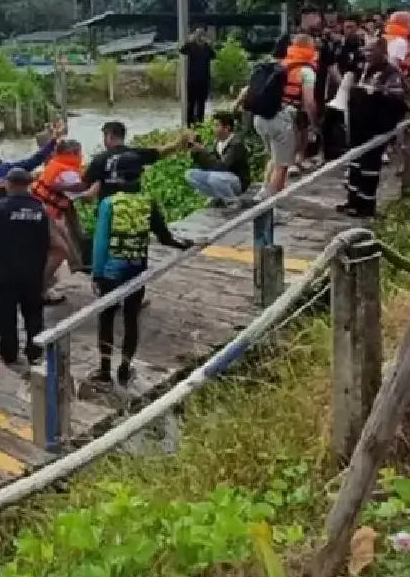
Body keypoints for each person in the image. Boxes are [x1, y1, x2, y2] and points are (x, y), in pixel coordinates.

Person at [89, 161, 185, 387]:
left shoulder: (109, 204)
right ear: (139, 178)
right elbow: (165, 237)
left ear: (117, 180)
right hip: (136, 268)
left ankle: (104, 370)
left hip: (111, 272)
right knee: (131, 318)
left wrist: (97, 273)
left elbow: (101, 242)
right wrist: (184, 244)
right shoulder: (148, 203)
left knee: (106, 319)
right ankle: (124, 368)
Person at [0, 168, 51, 367]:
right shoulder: (39, 209)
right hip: (32, 272)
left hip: (6, 271)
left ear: (10, 184)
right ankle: (35, 352)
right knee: (33, 314)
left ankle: (9, 354)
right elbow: (45, 240)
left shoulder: (0, 208)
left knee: (6, 315)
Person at [338, 37, 409, 218]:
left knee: (369, 166)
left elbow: (399, 94)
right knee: (355, 163)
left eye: (371, 51)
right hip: (359, 126)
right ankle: (352, 202)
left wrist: (376, 91)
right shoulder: (364, 69)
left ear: (382, 51)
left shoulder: (391, 72)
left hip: (375, 127)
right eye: (366, 50)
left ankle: (366, 206)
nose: (367, 54)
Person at [245, 32, 319, 198]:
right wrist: (314, 124)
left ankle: (263, 193)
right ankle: (270, 205)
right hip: (282, 120)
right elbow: (309, 102)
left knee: (273, 158)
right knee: (282, 166)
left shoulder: (282, 64)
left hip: (262, 118)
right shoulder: (306, 71)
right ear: (310, 49)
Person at [33, 138, 89, 301]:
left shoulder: (55, 164)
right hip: (46, 215)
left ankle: (77, 268)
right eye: (79, 153)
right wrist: (97, 183)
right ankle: (39, 291)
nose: (81, 156)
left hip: (43, 211)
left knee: (66, 243)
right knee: (60, 250)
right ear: (72, 153)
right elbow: (86, 197)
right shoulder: (67, 172)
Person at [184, 111, 251, 206]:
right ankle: (217, 198)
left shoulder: (236, 144)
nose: (213, 129)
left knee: (214, 177)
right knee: (190, 175)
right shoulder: (217, 143)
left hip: (237, 181)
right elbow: (209, 165)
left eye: (216, 125)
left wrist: (203, 151)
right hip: (221, 178)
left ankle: (232, 202)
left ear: (227, 127)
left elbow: (222, 166)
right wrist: (196, 153)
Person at [180, 28, 215, 125]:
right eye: (198, 35)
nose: (200, 37)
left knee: (201, 103)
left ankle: (199, 123)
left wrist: (209, 44)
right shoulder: (191, 46)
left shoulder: (207, 48)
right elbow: (182, 50)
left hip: (203, 80)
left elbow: (213, 55)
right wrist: (189, 40)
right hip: (193, 80)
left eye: (202, 35)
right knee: (191, 103)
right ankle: (190, 124)